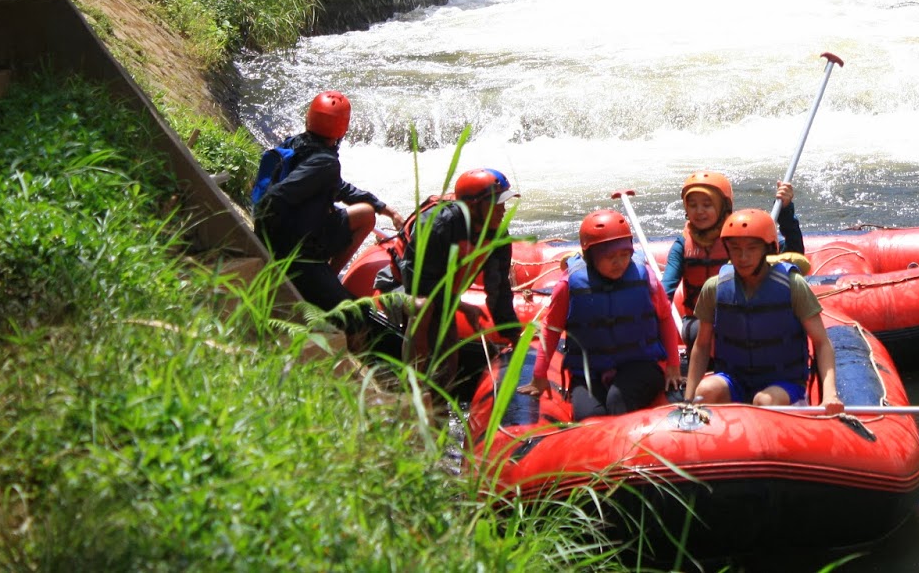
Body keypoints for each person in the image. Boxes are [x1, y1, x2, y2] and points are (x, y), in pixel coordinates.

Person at [253, 90, 402, 325]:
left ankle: (328, 276)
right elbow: (276, 198)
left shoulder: (296, 144)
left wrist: (384, 209)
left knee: (366, 213)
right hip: (298, 250)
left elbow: (340, 188)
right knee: (356, 318)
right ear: (343, 128)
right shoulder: (325, 162)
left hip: (291, 235)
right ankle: (324, 278)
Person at [524, 209, 681, 421]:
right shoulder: (569, 285)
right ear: (591, 256)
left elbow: (665, 318)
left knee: (618, 400)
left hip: (642, 365)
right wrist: (539, 374)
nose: (619, 262)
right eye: (610, 257)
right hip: (589, 371)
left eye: (624, 255)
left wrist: (673, 365)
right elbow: (551, 329)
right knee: (590, 416)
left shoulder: (645, 277)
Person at [683, 208, 841, 414]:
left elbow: (822, 343)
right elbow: (702, 345)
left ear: (768, 250)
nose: (743, 257)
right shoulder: (714, 287)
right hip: (735, 380)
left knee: (764, 400)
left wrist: (830, 394)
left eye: (751, 249)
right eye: (736, 249)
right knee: (705, 391)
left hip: (785, 383)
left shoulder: (793, 285)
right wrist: (689, 399)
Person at [377, 167, 522, 380]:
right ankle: (412, 383)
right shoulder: (436, 226)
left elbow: (499, 288)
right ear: (472, 206)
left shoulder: (497, 233)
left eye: (503, 204)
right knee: (423, 307)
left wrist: (513, 335)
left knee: (447, 367)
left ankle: (435, 393)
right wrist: (462, 307)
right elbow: (419, 286)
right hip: (397, 287)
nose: (502, 210)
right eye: (495, 204)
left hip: (442, 295)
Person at [661, 170, 804, 351]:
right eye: (693, 205)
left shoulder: (741, 237)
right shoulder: (682, 245)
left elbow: (794, 254)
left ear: (723, 206)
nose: (699, 211)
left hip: (744, 312)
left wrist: (786, 212)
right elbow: (666, 290)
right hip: (700, 321)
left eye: (707, 204)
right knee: (702, 330)